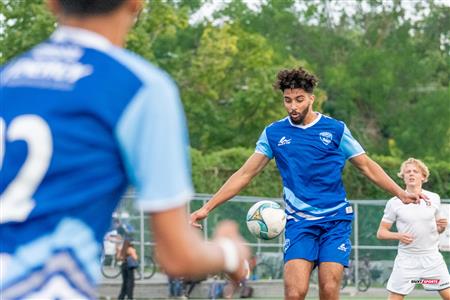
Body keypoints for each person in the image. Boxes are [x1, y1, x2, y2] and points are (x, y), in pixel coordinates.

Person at [0, 0, 249, 298]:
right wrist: (230, 252)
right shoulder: (139, 87)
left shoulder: (8, 77)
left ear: (50, 3)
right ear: (136, 3)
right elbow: (178, 255)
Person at [190, 67, 427, 300]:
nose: (293, 106)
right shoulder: (274, 133)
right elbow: (244, 174)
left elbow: (366, 165)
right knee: (294, 292)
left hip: (335, 222)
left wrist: (400, 193)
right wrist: (206, 208)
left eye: (299, 99)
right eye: (287, 100)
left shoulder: (335, 130)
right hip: (299, 223)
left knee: (329, 288)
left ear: (311, 98)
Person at [377, 158, 450, 299]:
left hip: (432, 259)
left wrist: (441, 228)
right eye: (407, 172)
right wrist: (398, 236)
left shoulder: (434, 198)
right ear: (403, 177)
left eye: (415, 171)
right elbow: (381, 233)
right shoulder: (394, 203)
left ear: (423, 177)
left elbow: (437, 229)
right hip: (406, 260)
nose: (411, 174)